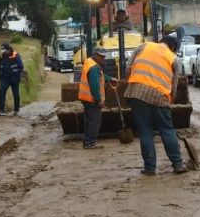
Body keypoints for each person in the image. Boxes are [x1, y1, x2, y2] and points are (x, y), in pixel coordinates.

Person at [125, 36, 188, 175]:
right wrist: (169, 101)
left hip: (137, 93)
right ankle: (177, 164)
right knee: (167, 130)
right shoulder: (173, 58)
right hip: (160, 97)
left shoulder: (144, 46)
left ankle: (149, 168)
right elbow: (174, 84)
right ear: (173, 48)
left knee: (145, 131)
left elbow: (128, 68)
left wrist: (131, 84)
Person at [78, 46, 117, 149]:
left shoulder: (89, 62)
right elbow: (94, 85)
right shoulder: (94, 67)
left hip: (85, 98)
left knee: (89, 121)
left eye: (104, 57)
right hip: (91, 99)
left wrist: (109, 79)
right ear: (95, 55)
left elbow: (99, 77)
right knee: (95, 122)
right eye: (101, 57)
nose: (103, 59)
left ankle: (87, 142)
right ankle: (90, 143)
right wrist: (99, 100)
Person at [0, 42, 24, 116]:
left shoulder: (16, 55)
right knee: (2, 92)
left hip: (14, 78)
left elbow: (21, 66)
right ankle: (1, 110)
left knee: (16, 94)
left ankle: (16, 110)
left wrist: (17, 75)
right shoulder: (2, 56)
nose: (3, 52)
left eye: (4, 51)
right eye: (2, 51)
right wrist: (0, 78)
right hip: (5, 78)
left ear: (8, 50)